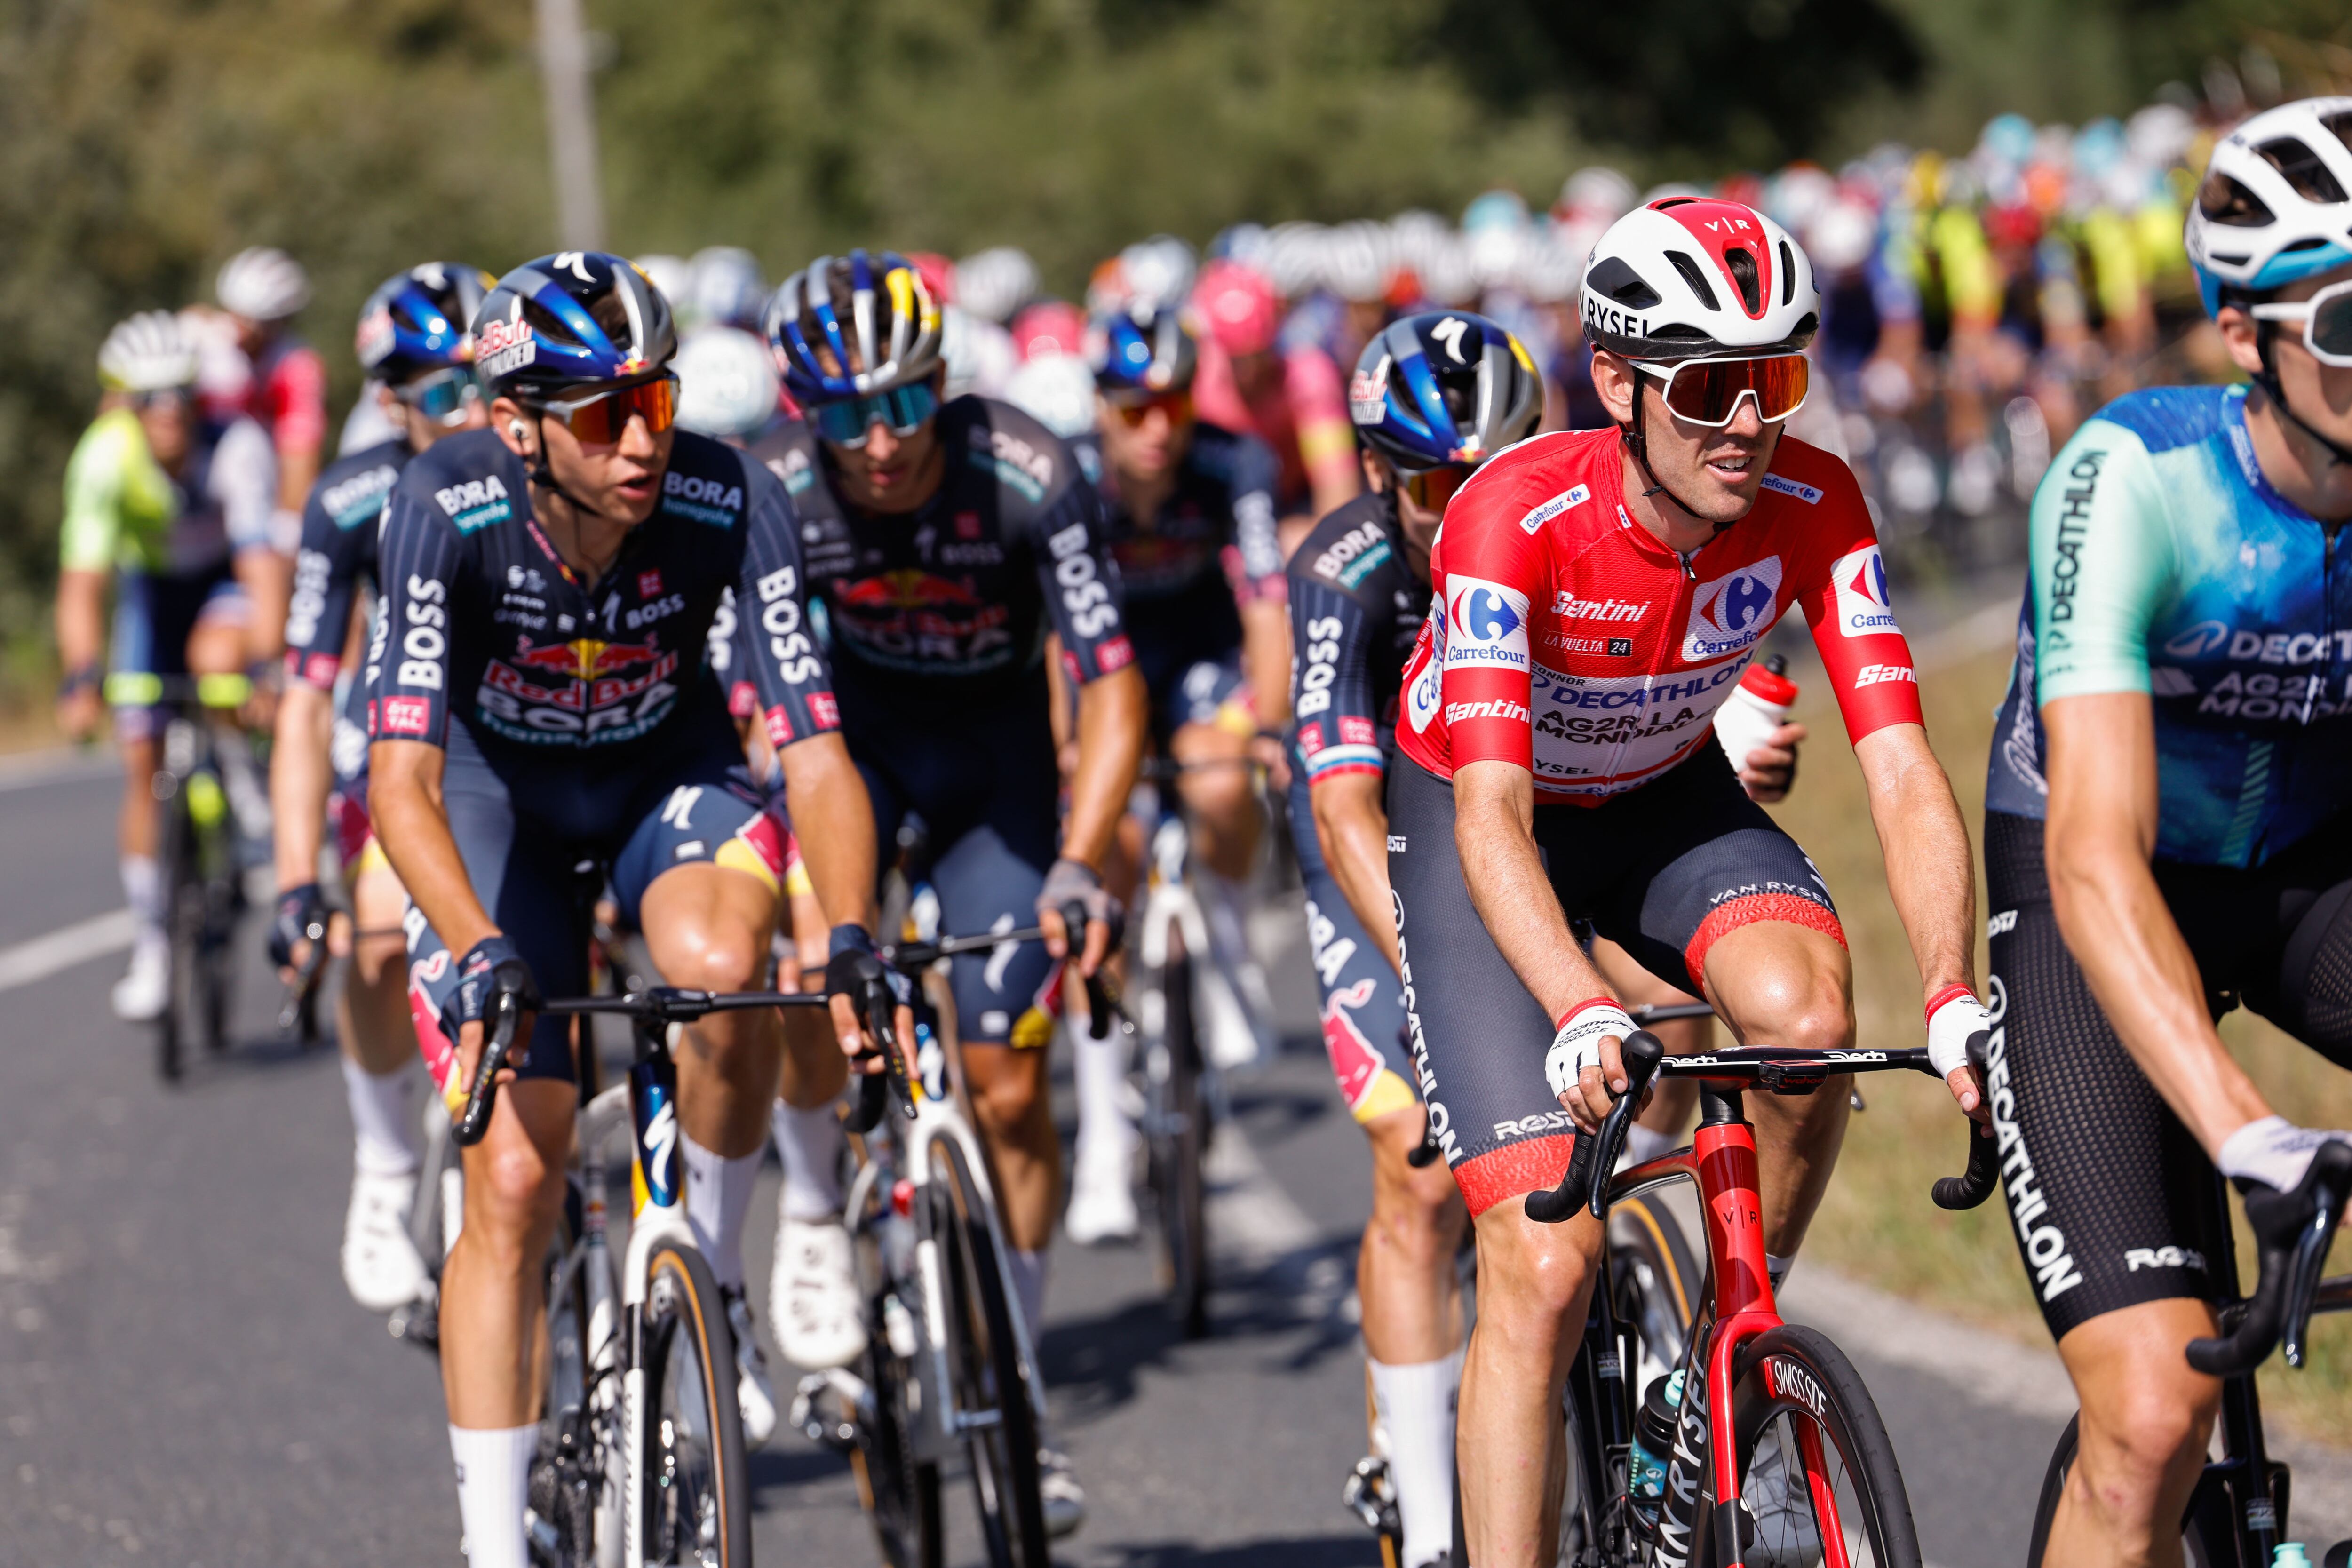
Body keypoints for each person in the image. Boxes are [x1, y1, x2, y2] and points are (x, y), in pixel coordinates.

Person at [1387, 199, 1991, 1568]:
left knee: (1803, 1012)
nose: (1744, 422)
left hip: (1663, 796)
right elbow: (1487, 806)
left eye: (1771, 379)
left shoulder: (1814, 503)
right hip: (1491, 818)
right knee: (1543, 1271)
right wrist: (1575, 1005)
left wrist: (1954, 987)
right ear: (1615, 382)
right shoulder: (1508, 515)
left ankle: (1713, 1379)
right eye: (1707, 384)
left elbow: (1898, 764)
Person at [366, 251, 891, 1568]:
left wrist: (849, 933)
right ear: (516, 424)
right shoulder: (445, 502)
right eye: (604, 415)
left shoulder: (730, 491)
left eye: (654, 399)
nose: (644, 436)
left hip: (669, 775)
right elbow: (401, 777)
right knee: (518, 1175)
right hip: (503, 806)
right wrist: (480, 944)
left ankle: (707, 1274)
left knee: (725, 968)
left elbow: (817, 752)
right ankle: (496, 1542)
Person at [1293, 310, 1807, 1567]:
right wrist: (1430, 981)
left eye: (1491, 463)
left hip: (1564, 820)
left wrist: (1749, 741)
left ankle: (1664, 1341)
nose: (1460, 500)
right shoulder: (1347, 569)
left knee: (1668, 1021)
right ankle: (1428, 1518)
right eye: (1427, 482)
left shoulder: (1569, 519)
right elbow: (1342, 803)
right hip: (1398, 853)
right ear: (1376, 475)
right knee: (1419, 1173)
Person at [1983, 98, 2352, 1568]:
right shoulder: (2135, 483)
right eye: (2343, 320)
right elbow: (2090, 855)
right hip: (2097, 890)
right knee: (2145, 1416)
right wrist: (2244, 1130)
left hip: (2305, 875)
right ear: (2240, 336)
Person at [764, 248, 1147, 1535]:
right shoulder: (773, 491)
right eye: (841, 414)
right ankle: (817, 1209)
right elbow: (749, 698)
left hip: (996, 771)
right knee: (819, 965)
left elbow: (1110, 683)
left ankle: (1014, 1379)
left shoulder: (1032, 471)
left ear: (941, 383)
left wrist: (1087, 857)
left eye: (902, 404)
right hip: (850, 757)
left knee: (1007, 1080)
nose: (877, 443)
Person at [270, 262, 493, 1313]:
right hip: (396, 744)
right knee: (376, 928)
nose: (474, 409)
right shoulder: (352, 496)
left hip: (532, 740)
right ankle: (384, 1164)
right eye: (443, 390)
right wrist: (290, 875)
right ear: (392, 399)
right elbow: (307, 702)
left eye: (484, 380)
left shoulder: (542, 469)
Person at [1063, 298, 1287, 1242]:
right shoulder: (1069, 479)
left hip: (1200, 655)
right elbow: (1047, 632)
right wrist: (1068, 750)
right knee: (1103, 848)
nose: (1156, 428)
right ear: (1101, 408)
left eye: (1173, 403)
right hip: (1104, 666)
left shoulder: (1234, 465)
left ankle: (1226, 940)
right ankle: (1104, 1135)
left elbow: (1270, 605)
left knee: (1224, 780)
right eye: (1132, 407)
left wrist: (1267, 722)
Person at [56, 312, 279, 1020]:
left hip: (222, 584)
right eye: (148, 399)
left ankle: (243, 781)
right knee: (141, 758)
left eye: (179, 395)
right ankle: (152, 947)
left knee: (215, 661)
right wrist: (80, 675)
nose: (167, 414)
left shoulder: (237, 446)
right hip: (151, 594)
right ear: (123, 405)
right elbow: (83, 583)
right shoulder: (102, 459)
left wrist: (268, 667)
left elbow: (261, 566)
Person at [1189, 258, 1362, 554]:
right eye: (1236, 358)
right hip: (1222, 517)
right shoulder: (1199, 383)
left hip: (1296, 506)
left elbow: (1339, 497)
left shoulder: (1309, 379)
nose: (1249, 371)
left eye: (1258, 354)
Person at [215, 246, 327, 556]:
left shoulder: (297, 367)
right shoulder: (204, 344)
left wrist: (287, 531)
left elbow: (299, 459)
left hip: (260, 509)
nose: (240, 332)